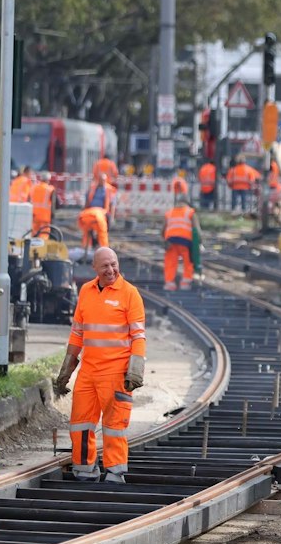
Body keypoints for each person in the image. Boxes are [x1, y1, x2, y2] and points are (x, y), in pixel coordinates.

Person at [52, 246, 146, 481]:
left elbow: (138, 336)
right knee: (80, 423)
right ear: (94, 268)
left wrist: (135, 370)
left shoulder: (129, 293)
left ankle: (115, 473)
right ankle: (84, 470)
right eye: (105, 265)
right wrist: (66, 371)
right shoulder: (86, 291)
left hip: (116, 373)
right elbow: (77, 334)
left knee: (114, 426)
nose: (111, 270)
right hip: (88, 373)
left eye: (114, 264)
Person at [162, 195, 199, 290]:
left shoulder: (169, 213)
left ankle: (169, 284)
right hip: (186, 242)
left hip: (170, 241)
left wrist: (165, 240)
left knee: (170, 262)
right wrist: (199, 243)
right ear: (187, 203)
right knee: (188, 262)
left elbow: (163, 230)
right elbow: (197, 230)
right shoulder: (190, 212)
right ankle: (185, 284)